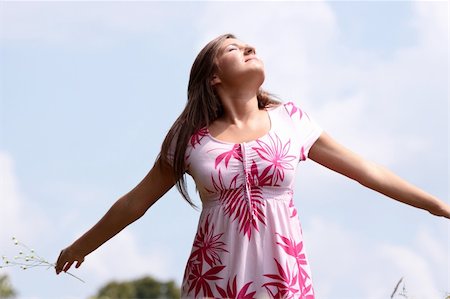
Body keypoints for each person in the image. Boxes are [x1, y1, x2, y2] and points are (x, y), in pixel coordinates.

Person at [55, 33, 450, 299]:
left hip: (284, 274)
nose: (249, 48)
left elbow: (366, 170)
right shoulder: (190, 139)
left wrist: (437, 205)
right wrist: (81, 245)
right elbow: (134, 203)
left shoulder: (291, 120)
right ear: (213, 77)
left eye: (249, 45)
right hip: (215, 276)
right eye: (234, 48)